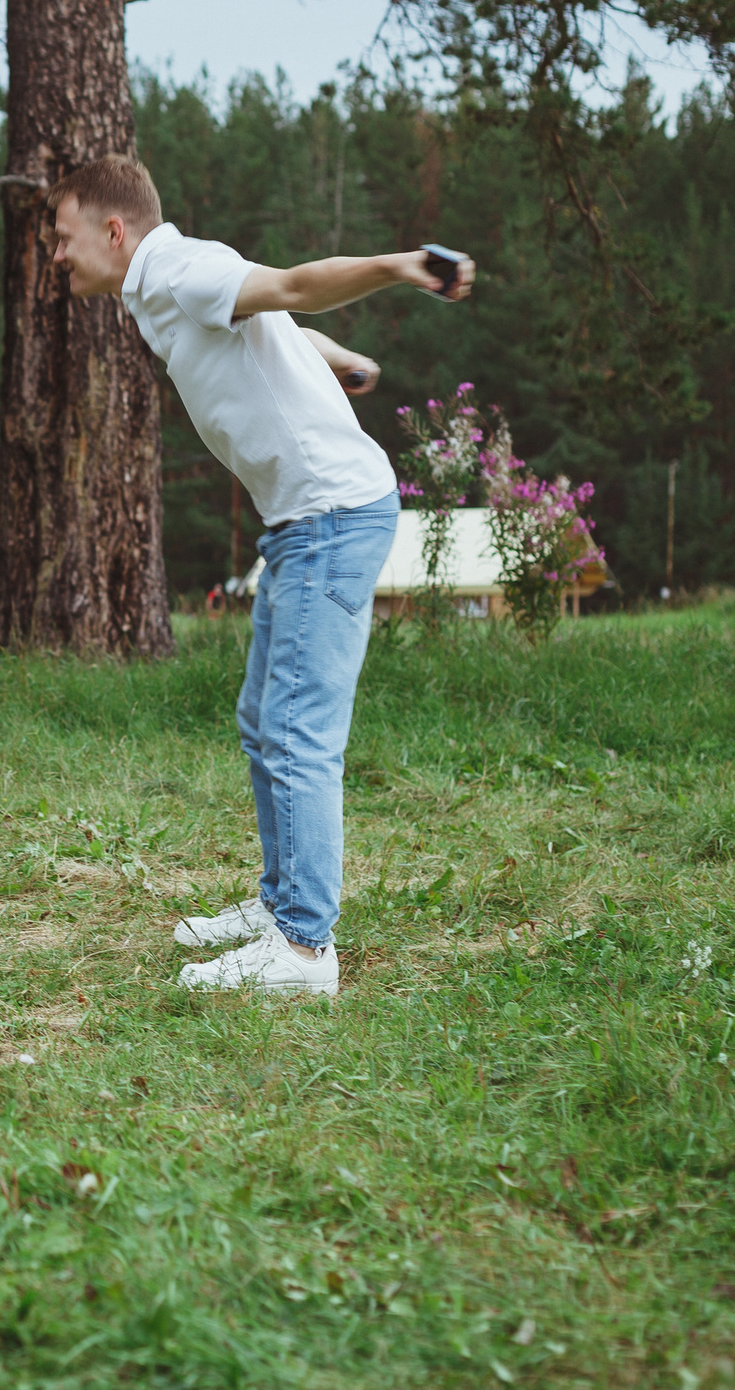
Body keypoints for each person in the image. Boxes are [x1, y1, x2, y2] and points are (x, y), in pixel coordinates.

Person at [46, 154, 475, 995]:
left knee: (297, 729)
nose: (56, 256)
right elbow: (275, 324)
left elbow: (292, 288)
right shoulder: (161, 289)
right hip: (302, 518)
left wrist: (398, 268)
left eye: (63, 238)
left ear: (113, 230)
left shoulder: (178, 265)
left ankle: (304, 951)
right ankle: (282, 902)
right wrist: (340, 358)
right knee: (263, 717)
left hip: (330, 515)